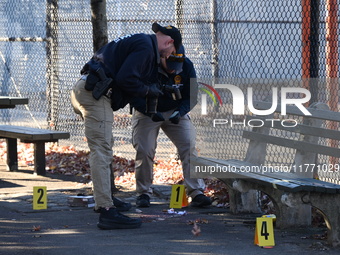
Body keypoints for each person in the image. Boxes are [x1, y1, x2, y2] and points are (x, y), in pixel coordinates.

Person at [70, 23, 182, 229]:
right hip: (95, 95)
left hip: (89, 90)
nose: (169, 57)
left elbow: (125, 77)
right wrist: (150, 90)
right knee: (102, 150)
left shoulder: (141, 41)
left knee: (104, 147)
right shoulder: (147, 47)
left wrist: (152, 91)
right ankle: (106, 211)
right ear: (169, 42)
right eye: (172, 53)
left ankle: (106, 200)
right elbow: (127, 78)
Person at [130, 45, 212, 208]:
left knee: (189, 146)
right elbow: (132, 94)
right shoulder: (145, 66)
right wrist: (151, 112)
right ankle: (143, 193)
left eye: (178, 66)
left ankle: (196, 192)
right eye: (171, 67)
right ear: (162, 58)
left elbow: (192, 95)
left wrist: (180, 112)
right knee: (145, 150)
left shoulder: (186, 65)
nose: (175, 71)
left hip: (174, 110)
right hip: (147, 111)